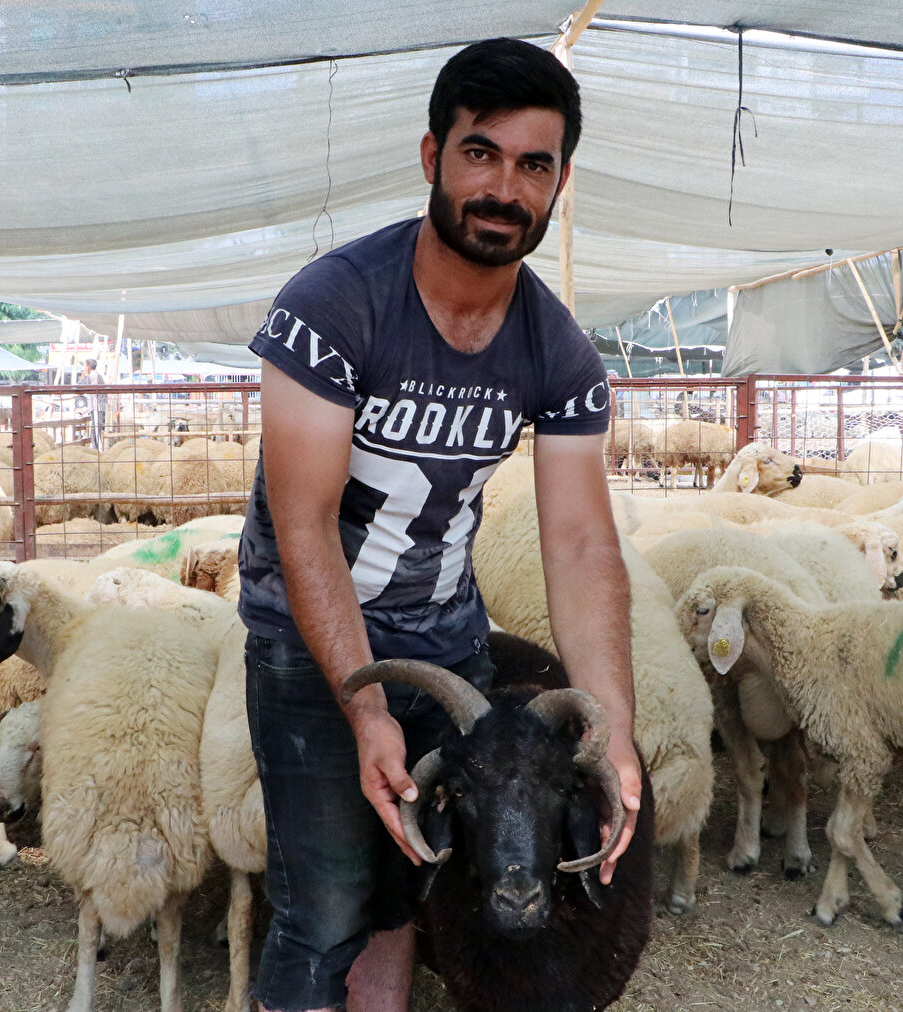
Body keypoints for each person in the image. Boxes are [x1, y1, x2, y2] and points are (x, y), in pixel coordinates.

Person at [238, 37, 641, 1012]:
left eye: (533, 165)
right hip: (310, 634)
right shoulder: (330, 307)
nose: (505, 187)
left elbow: (582, 543)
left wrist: (615, 721)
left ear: (559, 183)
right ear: (433, 157)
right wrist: (363, 708)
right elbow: (304, 525)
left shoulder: (557, 350)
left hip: (444, 636)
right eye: (481, 154)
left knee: (418, 880)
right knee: (327, 900)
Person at [78, 357, 106, 448]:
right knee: (96, 429)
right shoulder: (96, 376)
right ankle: (96, 448)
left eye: (84, 365)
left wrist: (83, 376)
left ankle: (96, 449)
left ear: (88, 367)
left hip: (96, 407)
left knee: (96, 430)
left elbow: (80, 386)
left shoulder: (92, 376)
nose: (83, 367)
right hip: (96, 406)